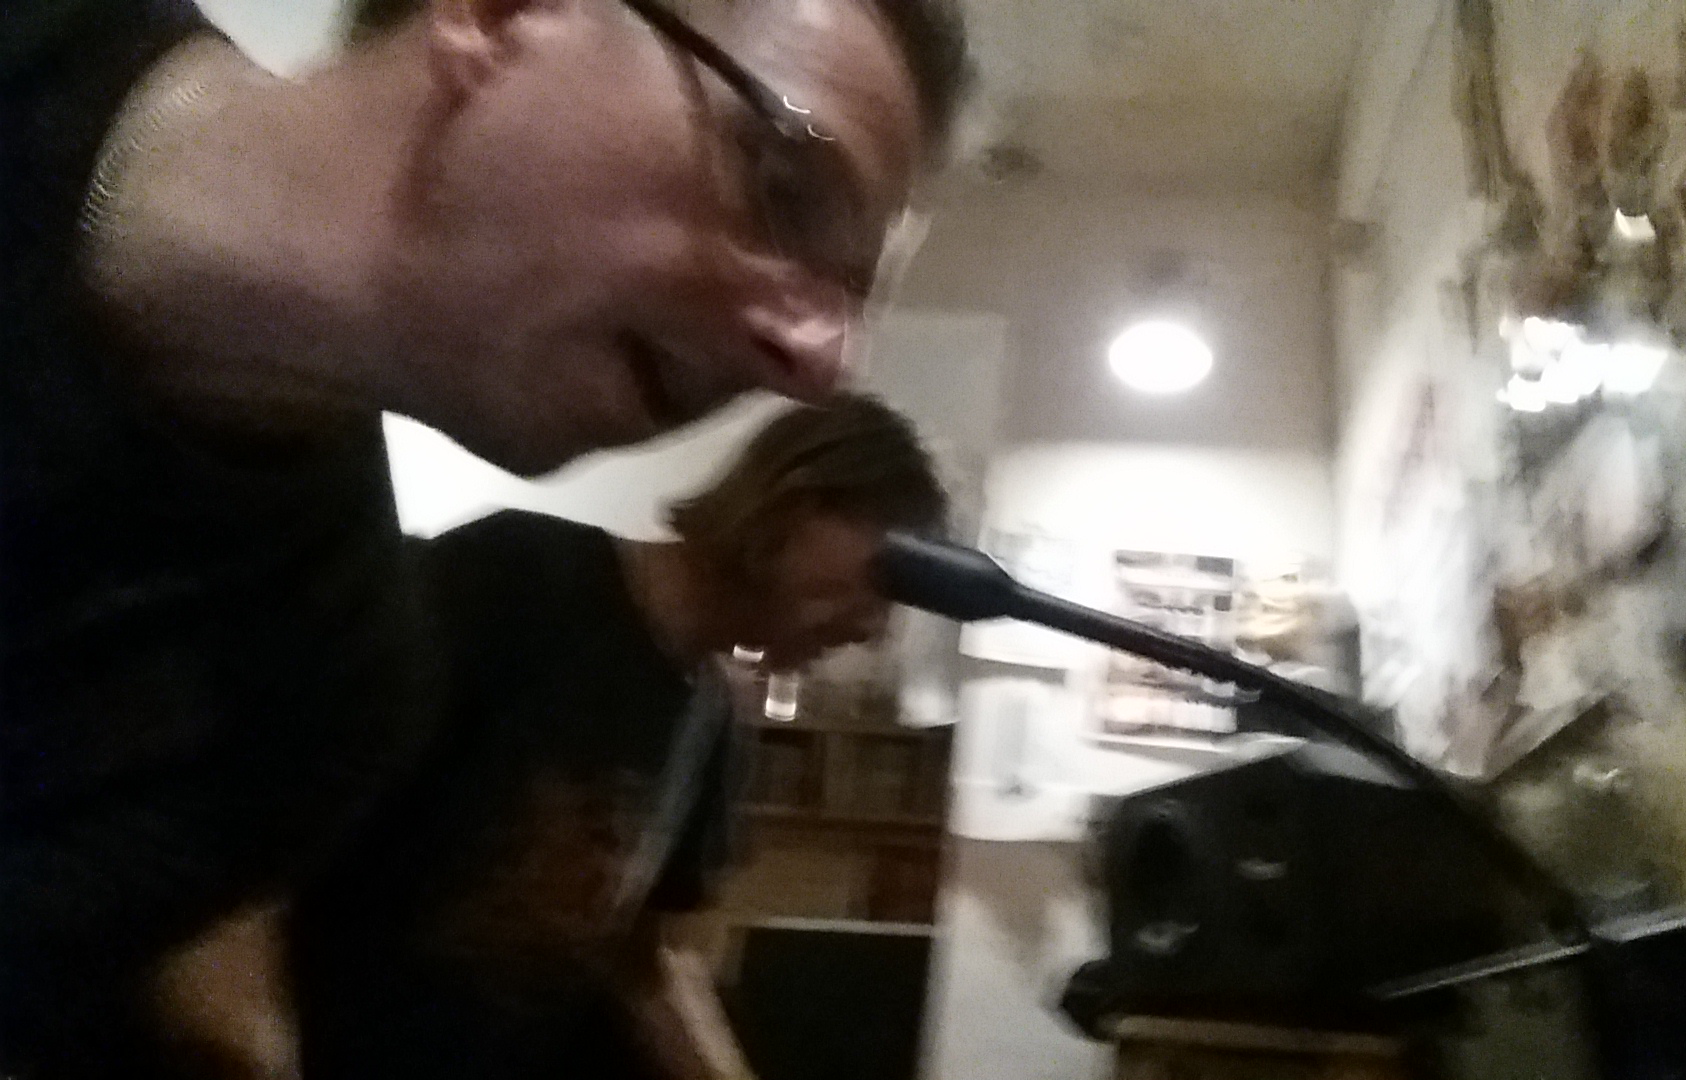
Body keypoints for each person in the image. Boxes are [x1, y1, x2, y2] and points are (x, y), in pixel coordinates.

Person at [1, 0, 965, 1074]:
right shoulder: (496, 596)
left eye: (849, 302)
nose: (822, 365)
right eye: (784, 186)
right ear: (504, 18)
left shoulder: (321, 686)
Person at [292, 393, 947, 1080]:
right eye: (884, 579)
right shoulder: (518, 573)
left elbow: (646, 958)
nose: (874, 629)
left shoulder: (712, 724)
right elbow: (281, 800)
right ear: (797, 503)